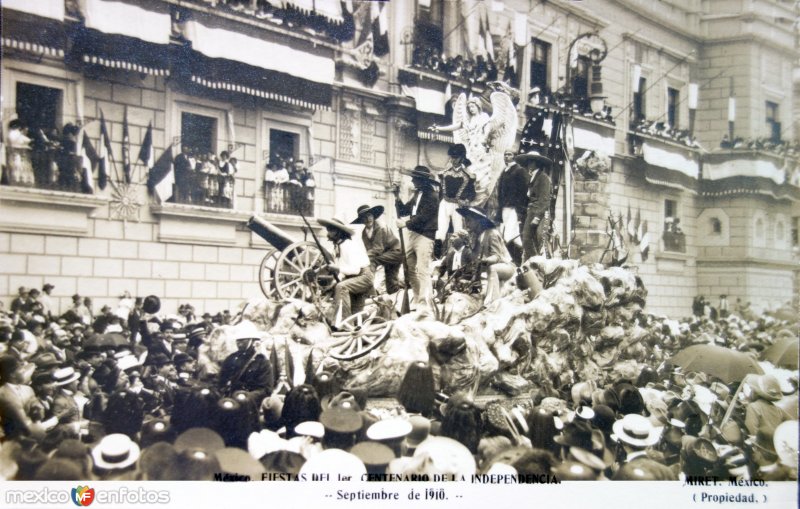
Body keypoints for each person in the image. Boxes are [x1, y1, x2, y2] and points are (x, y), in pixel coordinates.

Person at [394, 166, 440, 310]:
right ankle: (417, 297)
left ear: (422, 181)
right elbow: (405, 210)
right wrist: (397, 198)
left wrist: (405, 223)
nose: (412, 180)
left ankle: (425, 302)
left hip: (425, 236)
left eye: (415, 178)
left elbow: (423, 217)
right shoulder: (416, 194)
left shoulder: (432, 196)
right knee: (409, 267)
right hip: (413, 234)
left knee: (422, 269)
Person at [318, 217, 374, 321]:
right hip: (354, 278)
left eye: (331, 230)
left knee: (341, 287)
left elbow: (355, 270)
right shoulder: (338, 247)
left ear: (338, 232)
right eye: (328, 230)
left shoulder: (349, 245)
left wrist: (337, 268)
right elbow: (344, 270)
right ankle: (350, 323)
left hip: (364, 277)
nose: (328, 234)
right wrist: (334, 281)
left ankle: (344, 324)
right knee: (356, 316)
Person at [457, 207, 514, 305]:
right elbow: (474, 258)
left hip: (505, 267)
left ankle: (492, 302)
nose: (467, 223)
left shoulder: (492, 233)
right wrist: (467, 245)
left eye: (469, 220)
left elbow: (497, 256)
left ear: (478, 221)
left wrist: (485, 260)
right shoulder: (477, 237)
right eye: (466, 220)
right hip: (489, 271)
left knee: (493, 268)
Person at [435, 144, 476, 257]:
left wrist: (467, 200)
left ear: (462, 158)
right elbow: (440, 192)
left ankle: (457, 257)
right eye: (452, 157)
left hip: (457, 206)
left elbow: (472, 193)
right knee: (440, 231)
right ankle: (437, 258)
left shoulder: (468, 175)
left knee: (458, 233)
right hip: (444, 203)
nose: (453, 160)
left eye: (456, 157)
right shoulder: (444, 173)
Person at [351, 204, 403, 295]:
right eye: (365, 217)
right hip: (385, 255)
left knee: (372, 260)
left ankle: (368, 285)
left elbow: (377, 249)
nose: (368, 219)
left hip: (395, 253)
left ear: (373, 216)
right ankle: (393, 303)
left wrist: (362, 259)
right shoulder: (364, 233)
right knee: (391, 284)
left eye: (370, 215)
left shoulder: (380, 227)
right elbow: (368, 249)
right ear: (361, 220)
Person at [495, 149, 529, 265]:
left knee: (508, 235)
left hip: (514, 209)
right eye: (505, 154)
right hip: (504, 208)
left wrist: (520, 208)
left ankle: (509, 261)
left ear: (514, 156)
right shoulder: (504, 171)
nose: (506, 157)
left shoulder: (520, 171)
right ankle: (521, 260)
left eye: (509, 154)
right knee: (514, 237)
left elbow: (523, 191)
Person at [517, 149, 553, 261]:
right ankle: (534, 262)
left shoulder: (543, 178)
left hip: (540, 213)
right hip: (531, 211)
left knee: (539, 239)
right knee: (526, 238)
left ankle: (538, 262)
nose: (529, 164)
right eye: (528, 162)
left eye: (531, 161)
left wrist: (537, 217)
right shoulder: (532, 178)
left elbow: (545, 200)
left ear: (537, 163)